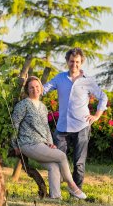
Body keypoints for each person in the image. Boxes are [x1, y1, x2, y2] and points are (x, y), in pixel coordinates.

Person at [11, 76, 86, 200]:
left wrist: (50, 143)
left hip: (41, 145)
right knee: (61, 156)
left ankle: (55, 197)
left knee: (54, 166)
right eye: (31, 87)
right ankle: (72, 186)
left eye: (37, 86)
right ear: (27, 90)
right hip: (27, 144)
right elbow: (14, 125)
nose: (35, 89)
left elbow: (46, 128)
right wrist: (15, 145)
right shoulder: (23, 105)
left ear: (41, 88)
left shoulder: (43, 107)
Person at [43, 48, 108, 189]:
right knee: (57, 159)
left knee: (79, 162)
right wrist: (32, 85)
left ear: (81, 62)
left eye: (77, 62)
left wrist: (96, 116)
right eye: (72, 61)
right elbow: (44, 88)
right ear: (67, 61)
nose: (74, 64)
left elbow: (103, 97)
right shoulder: (60, 78)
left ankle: (76, 192)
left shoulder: (88, 81)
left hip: (82, 126)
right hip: (62, 127)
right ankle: (56, 191)